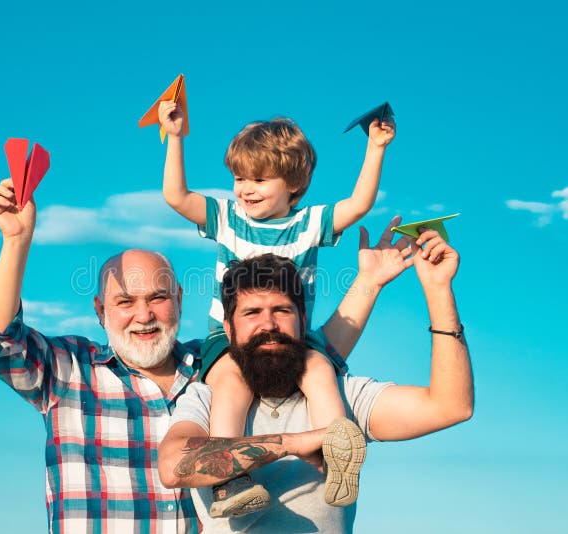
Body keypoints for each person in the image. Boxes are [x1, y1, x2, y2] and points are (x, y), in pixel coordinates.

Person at [158, 101, 396, 516]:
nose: (245, 188)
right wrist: (175, 138)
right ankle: (228, 481)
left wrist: (375, 147)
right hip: (230, 339)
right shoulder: (226, 217)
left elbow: (358, 205)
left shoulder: (309, 223)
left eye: (260, 179)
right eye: (239, 178)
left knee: (320, 371)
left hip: (291, 340)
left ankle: (336, 456)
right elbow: (176, 196)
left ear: (293, 184)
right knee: (231, 382)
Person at [157, 228, 473, 533]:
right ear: (228, 330)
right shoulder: (206, 399)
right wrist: (295, 443)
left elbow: (451, 406)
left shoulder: (345, 394)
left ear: (303, 322)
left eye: (281, 310)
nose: (268, 324)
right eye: (252, 313)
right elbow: (173, 467)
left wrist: (438, 290)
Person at [0, 178, 203, 533]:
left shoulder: (213, 368)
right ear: (100, 311)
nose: (144, 316)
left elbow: (307, 346)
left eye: (157, 298)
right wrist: (16, 240)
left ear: (180, 301)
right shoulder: (69, 369)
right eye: (125, 302)